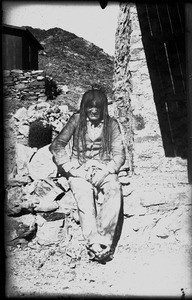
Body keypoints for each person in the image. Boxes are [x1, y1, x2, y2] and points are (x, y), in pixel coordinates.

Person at [50, 88, 126, 262]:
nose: (93, 110)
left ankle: (105, 242)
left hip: (102, 168)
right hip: (79, 168)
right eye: (89, 107)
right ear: (84, 107)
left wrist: (107, 171)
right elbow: (57, 145)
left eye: (97, 107)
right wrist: (70, 167)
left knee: (114, 188)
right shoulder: (76, 120)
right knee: (84, 193)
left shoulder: (111, 124)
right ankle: (93, 243)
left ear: (103, 108)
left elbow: (119, 154)